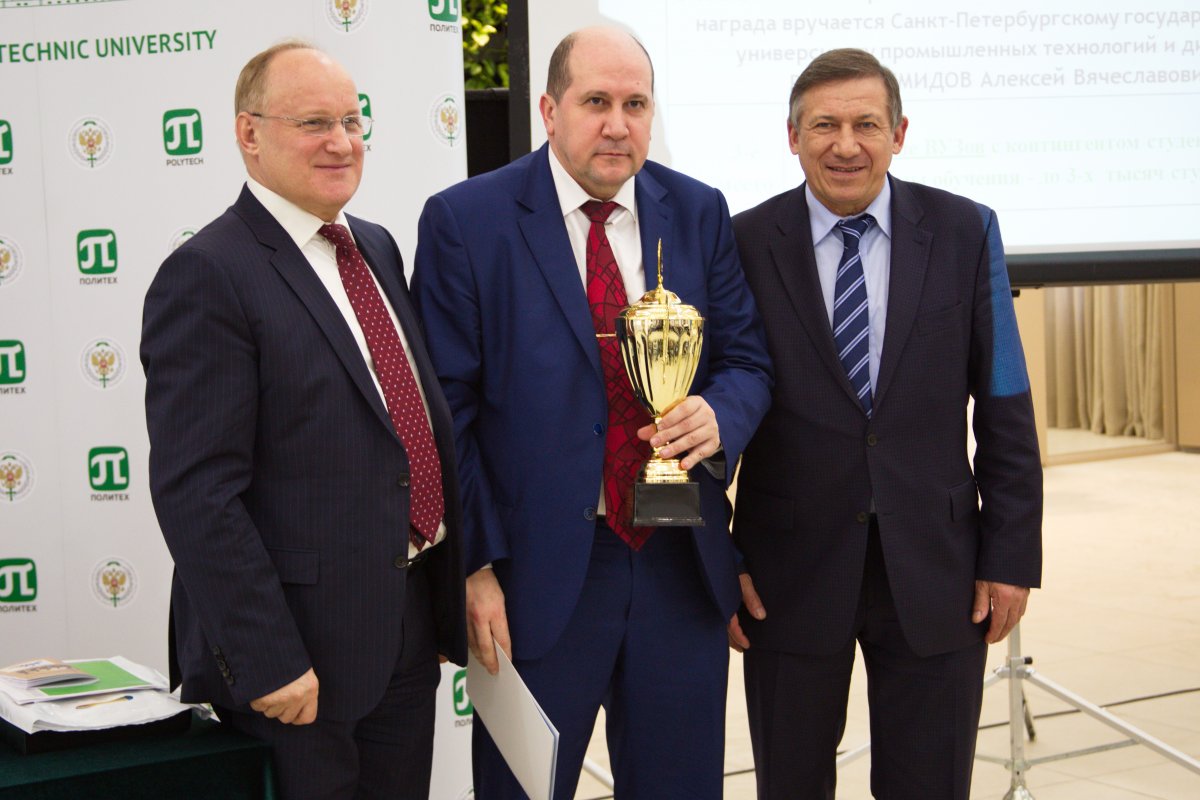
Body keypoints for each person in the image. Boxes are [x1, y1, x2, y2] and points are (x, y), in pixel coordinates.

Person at [412, 26, 772, 800]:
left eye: (635, 104)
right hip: (534, 581)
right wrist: (473, 565)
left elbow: (747, 361)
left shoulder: (699, 211)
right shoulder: (467, 221)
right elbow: (446, 414)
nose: (617, 124)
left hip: (677, 564)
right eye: (596, 102)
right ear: (549, 110)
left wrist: (719, 414)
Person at [141, 41, 465, 800]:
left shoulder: (373, 246)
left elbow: (398, 428)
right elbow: (197, 492)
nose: (342, 143)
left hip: (404, 633)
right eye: (314, 122)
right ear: (248, 134)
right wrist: (268, 660)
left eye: (352, 121)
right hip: (296, 665)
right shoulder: (208, 273)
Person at [728, 48, 1043, 799]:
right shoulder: (741, 244)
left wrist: (1010, 554)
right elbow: (711, 403)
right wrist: (717, 557)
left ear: (899, 133)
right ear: (792, 136)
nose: (846, 145)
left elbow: (1005, 404)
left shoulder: (966, 231)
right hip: (785, 575)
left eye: (866, 124)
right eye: (824, 126)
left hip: (939, 572)